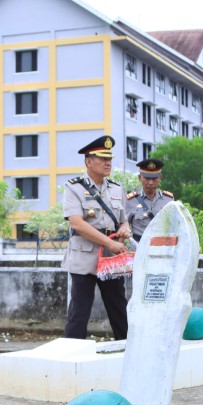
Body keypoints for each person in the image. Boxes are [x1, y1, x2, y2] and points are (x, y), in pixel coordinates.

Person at [61, 136, 131, 341]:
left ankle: (127, 350)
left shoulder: (117, 188)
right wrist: (110, 242)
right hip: (84, 257)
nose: (108, 162)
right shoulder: (73, 187)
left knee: (118, 308)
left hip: (110, 258)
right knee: (79, 312)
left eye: (109, 158)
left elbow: (123, 221)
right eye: (102, 158)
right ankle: (72, 355)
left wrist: (125, 229)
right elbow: (77, 224)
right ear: (88, 161)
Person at [125, 158, 174, 242]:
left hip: (162, 248)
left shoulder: (168, 200)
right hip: (139, 248)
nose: (151, 182)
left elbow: (174, 227)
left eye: (154, 178)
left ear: (160, 178)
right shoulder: (130, 201)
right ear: (140, 178)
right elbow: (124, 226)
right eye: (147, 178)